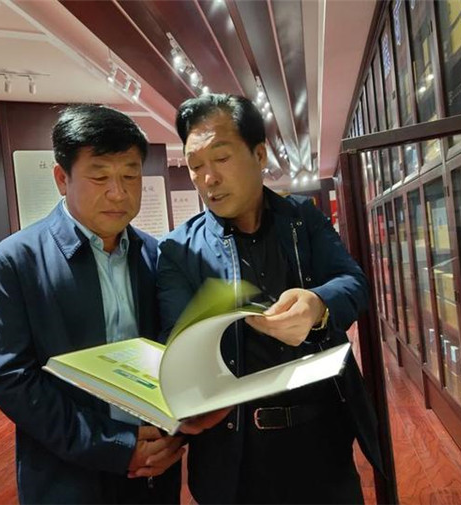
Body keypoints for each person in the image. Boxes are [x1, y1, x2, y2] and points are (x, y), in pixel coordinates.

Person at [157, 93, 383, 504]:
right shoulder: (179, 250)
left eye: (220, 158)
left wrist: (318, 305)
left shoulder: (302, 219)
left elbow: (354, 282)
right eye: (195, 166)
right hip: (236, 453)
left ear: (259, 154)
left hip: (322, 440)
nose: (208, 178)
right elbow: (175, 339)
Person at [0, 105, 183, 504]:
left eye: (130, 175)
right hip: (67, 477)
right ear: (62, 178)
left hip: (152, 471)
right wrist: (115, 445)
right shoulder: (15, 261)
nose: (118, 193)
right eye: (100, 176)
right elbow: (12, 380)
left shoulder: (155, 255)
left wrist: (172, 436)